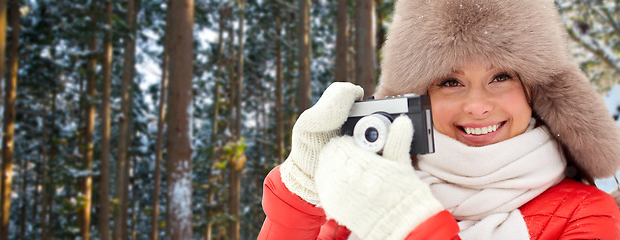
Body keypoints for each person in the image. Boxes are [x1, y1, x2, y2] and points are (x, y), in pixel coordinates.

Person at [258, 0, 620, 239]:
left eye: (501, 77)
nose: (477, 105)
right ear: (417, 97)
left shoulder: (586, 213)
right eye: (450, 81)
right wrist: (301, 194)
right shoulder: (360, 203)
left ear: (537, 91)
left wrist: (410, 224)